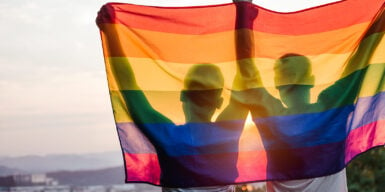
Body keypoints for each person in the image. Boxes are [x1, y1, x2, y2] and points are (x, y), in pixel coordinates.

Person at [232, 4, 385, 192]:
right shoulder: (331, 108)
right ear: (311, 80)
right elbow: (362, 54)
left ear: (278, 85)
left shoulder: (271, 115)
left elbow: (246, 68)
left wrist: (242, 12)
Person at [99, 16, 249, 191]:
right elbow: (246, 74)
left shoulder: (167, 136)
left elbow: (128, 86)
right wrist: (244, 17)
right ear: (219, 101)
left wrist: (111, 32)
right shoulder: (228, 132)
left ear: (183, 96)